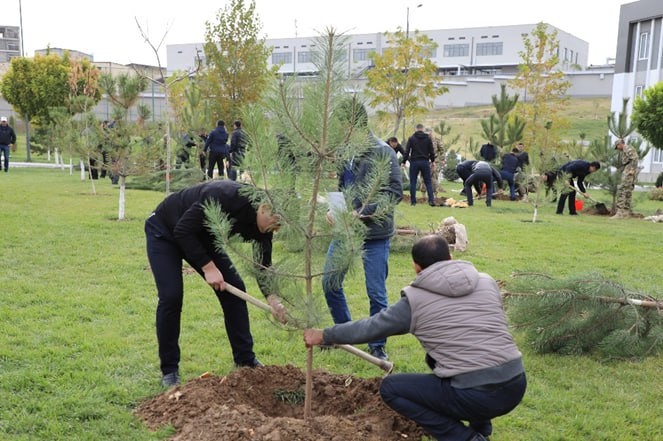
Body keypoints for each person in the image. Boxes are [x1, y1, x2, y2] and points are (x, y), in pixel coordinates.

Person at [305, 235, 526, 441]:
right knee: (443, 358)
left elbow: (370, 328)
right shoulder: (487, 282)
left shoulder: (414, 302)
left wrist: (324, 335)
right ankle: (482, 429)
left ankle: (465, 437)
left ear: (416, 268)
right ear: (451, 258)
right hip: (515, 382)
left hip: (473, 395)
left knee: (391, 388)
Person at [145, 180, 287, 387]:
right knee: (171, 296)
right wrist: (208, 267)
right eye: (276, 222)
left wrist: (272, 298)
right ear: (264, 208)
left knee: (235, 292)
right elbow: (183, 230)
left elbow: (263, 265)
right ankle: (170, 370)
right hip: (165, 230)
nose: (276, 229)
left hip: (201, 237)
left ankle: (245, 360)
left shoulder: (264, 226)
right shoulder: (224, 195)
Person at [322, 101, 403, 361]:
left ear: (352, 124)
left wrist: (364, 212)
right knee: (329, 282)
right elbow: (343, 186)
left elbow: (394, 193)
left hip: (375, 233)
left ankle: (377, 345)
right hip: (346, 231)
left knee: (376, 292)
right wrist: (333, 210)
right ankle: (347, 334)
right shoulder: (347, 151)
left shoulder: (383, 152)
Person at [404, 123, 436, 206]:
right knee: (428, 182)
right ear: (423, 129)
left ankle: (413, 201)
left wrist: (404, 161)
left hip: (414, 162)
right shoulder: (428, 139)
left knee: (413, 182)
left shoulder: (411, 138)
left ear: (416, 129)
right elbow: (431, 151)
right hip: (425, 162)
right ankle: (431, 200)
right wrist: (433, 161)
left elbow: (407, 151)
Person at [611, 138, 639, 219]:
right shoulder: (626, 149)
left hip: (629, 171)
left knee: (621, 189)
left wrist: (632, 170)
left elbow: (635, 158)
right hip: (629, 170)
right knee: (628, 190)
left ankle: (619, 213)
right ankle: (626, 212)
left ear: (619, 144)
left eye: (617, 147)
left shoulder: (627, 148)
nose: (617, 149)